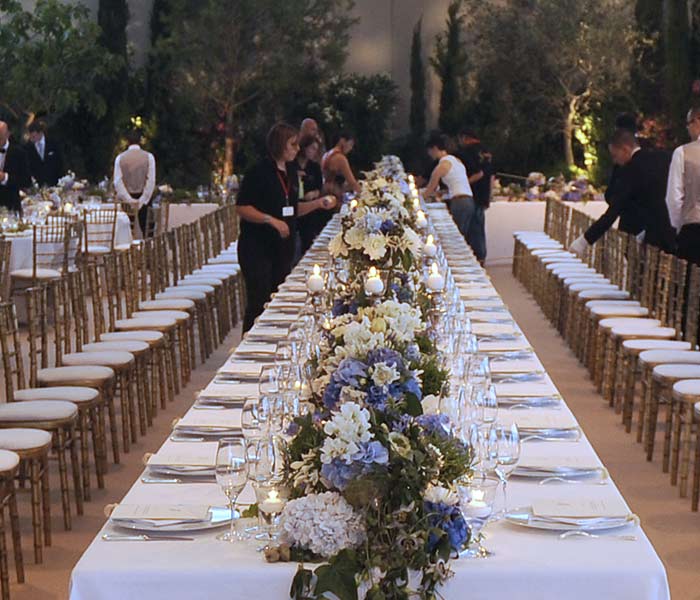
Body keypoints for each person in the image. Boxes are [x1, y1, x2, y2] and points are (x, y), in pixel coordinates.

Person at [236, 122, 337, 332]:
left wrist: (319, 204)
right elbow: (242, 207)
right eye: (293, 144)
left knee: (277, 300)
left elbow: (292, 208)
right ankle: (249, 350)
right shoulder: (259, 172)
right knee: (258, 303)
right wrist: (270, 220)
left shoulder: (290, 171)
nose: (297, 149)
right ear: (280, 145)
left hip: (282, 248)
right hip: (258, 247)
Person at [569, 128, 675, 255]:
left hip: (647, 238)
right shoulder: (663, 158)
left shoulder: (630, 170)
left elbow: (613, 212)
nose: (615, 161)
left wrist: (582, 242)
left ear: (625, 149)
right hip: (671, 231)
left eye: (615, 155)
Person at [422, 132, 485, 261]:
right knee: (464, 236)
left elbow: (429, 190)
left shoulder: (441, 166)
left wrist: (416, 197)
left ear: (434, 149)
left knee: (456, 239)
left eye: (430, 151)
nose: (430, 155)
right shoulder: (456, 161)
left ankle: (457, 261)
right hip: (469, 200)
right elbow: (458, 183)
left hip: (459, 203)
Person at [664, 107, 700, 265]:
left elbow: (674, 198)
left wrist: (681, 225)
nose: (687, 128)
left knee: (688, 286)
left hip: (693, 231)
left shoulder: (683, 153)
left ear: (697, 121)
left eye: (688, 123)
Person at [456, 130, 492, 262]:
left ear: (466, 138)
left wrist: (463, 183)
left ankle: (475, 258)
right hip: (484, 194)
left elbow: (478, 173)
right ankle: (480, 257)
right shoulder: (486, 151)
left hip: (473, 193)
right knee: (479, 227)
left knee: (472, 228)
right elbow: (490, 174)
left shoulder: (469, 152)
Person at [113, 129, 156, 238]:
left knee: (125, 231)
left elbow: (118, 182)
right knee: (147, 231)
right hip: (144, 198)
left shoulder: (120, 158)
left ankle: (127, 252)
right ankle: (149, 250)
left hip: (126, 200)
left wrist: (129, 199)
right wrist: (143, 200)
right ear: (140, 141)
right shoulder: (149, 157)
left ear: (127, 142)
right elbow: (150, 181)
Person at [296, 134, 330, 254]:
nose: (313, 152)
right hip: (294, 206)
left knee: (308, 239)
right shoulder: (292, 164)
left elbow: (319, 188)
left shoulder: (314, 167)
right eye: (311, 148)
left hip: (310, 208)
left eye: (316, 149)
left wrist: (314, 193)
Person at [0, 121, 31, 213]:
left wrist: (5, 178)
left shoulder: (19, 153)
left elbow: (26, 181)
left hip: (11, 206)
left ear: (8, 134)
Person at [321, 131, 361, 200]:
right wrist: (364, 194)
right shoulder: (340, 158)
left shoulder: (327, 154)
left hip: (324, 193)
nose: (351, 148)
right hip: (333, 196)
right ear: (342, 140)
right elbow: (352, 183)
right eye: (350, 144)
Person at [25, 119, 64, 187]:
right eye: (30, 137)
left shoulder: (52, 142)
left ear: (40, 133)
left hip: (55, 182)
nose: (31, 139)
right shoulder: (28, 147)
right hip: (38, 184)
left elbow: (60, 161)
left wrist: (61, 180)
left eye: (34, 136)